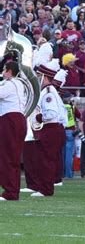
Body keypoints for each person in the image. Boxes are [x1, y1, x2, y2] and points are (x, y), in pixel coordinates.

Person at [30, 59, 67, 197]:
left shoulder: (48, 93)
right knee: (45, 159)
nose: (38, 78)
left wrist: (39, 117)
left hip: (50, 128)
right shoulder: (48, 91)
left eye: (40, 76)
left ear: (45, 77)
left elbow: (51, 114)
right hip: (51, 129)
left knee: (46, 160)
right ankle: (44, 187)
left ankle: (46, 189)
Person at [0, 61, 28, 201]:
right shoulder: (17, 83)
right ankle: (12, 189)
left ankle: (10, 191)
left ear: (9, 71)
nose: (3, 72)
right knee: (12, 156)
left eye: (4, 69)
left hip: (10, 120)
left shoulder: (10, 83)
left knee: (8, 156)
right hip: (16, 119)